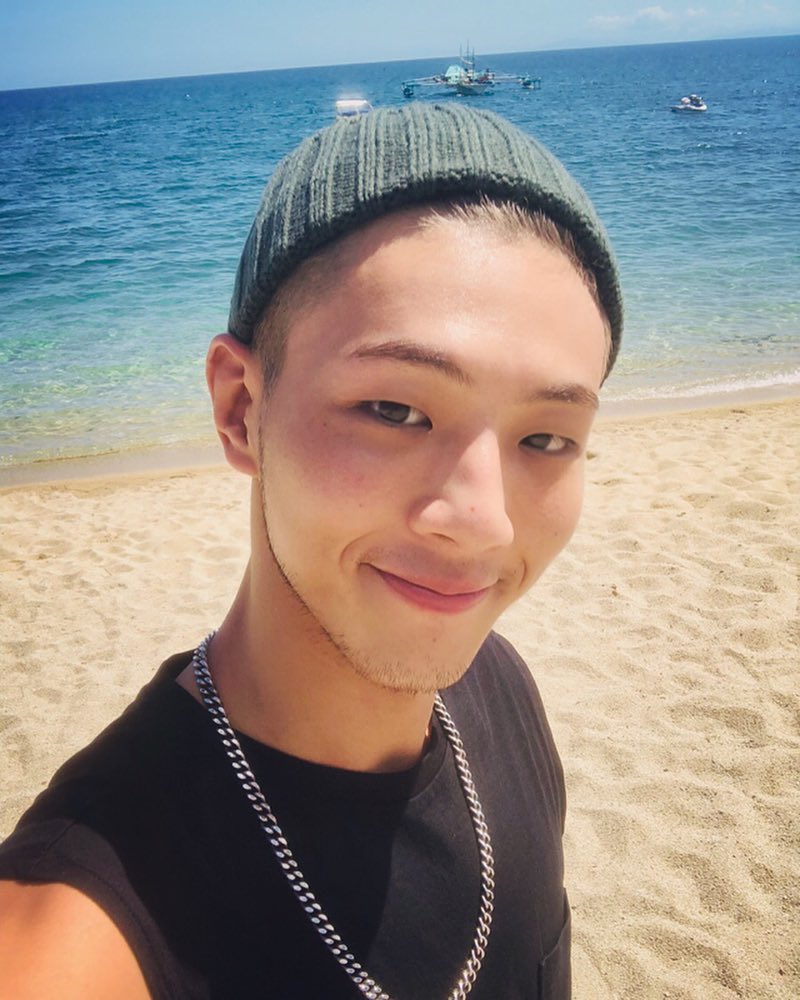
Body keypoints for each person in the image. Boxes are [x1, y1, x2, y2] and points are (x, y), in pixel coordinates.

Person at [0, 103, 622, 998]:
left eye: (547, 438)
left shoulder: (500, 689)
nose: (483, 522)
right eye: (396, 411)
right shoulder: (80, 935)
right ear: (241, 409)